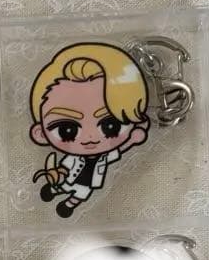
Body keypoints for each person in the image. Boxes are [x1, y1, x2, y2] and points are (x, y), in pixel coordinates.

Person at [29, 43, 150, 218]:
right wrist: (59, 173)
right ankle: (53, 190)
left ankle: (67, 205)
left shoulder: (104, 156)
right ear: (40, 133)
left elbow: (119, 150)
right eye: (68, 130)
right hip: (70, 177)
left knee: (80, 195)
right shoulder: (74, 157)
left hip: (89, 183)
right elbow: (64, 168)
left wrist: (132, 139)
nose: (90, 137)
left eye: (110, 126)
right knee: (64, 186)